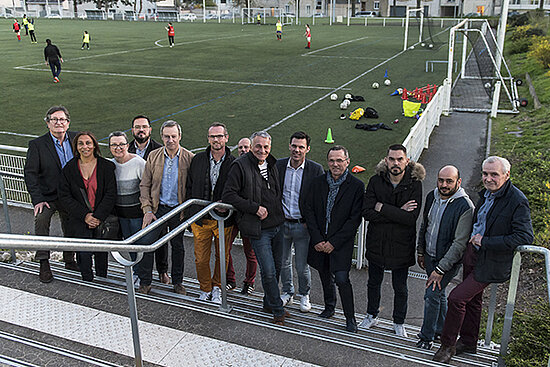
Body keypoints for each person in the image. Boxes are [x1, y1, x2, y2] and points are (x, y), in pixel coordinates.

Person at [433, 156, 534, 363]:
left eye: (494, 174)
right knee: (473, 301)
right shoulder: (487, 193)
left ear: (506, 175)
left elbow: (524, 237)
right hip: (474, 254)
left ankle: (447, 345)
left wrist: (485, 242)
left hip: (490, 261)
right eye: (485, 174)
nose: (488, 178)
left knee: (456, 298)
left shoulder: (517, 200)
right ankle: (469, 342)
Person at [360, 144, 424, 337]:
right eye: (392, 159)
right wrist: (398, 212)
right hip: (377, 242)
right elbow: (367, 212)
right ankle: (371, 315)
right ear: (386, 160)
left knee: (400, 286)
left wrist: (382, 207)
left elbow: (410, 218)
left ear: (407, 161)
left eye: (399, 159)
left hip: (401, 245)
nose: (395, 163)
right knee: (374, 282)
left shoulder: (414, 184)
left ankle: (399, 321)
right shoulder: (375, 181)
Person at [223, 131, 287, 325]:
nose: (262, 150)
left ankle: (268, 302)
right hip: (258, 228)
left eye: (266, 147)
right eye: (258, 146)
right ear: (251, 146)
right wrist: (254, 208)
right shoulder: (240, 166)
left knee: (276, 268)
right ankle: (277, 309)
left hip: (278, 225)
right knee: (267, 270)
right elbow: (229, 195)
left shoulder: (272, 163)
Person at [303, 145, 364, 332]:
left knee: (342, 278)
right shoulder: (318, 182)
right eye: (332, 160)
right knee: (324, 274)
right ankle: (329, 307)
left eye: (339, 160)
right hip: (320, 242)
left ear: (347, 161)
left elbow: (354, 219)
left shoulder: (356, 186)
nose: (335, 164)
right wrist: (318, 239)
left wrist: (333, 243)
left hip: (341, 245)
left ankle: (350, 317)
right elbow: (309, 210)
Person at [416, 165, 474, 350]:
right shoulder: (431, 196)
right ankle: (441, 330)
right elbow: (425, 225)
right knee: (439, 294)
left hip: (447, 262)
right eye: (441, 180)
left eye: (449, 181)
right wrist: (420, 250)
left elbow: (459, 243)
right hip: (430, 256)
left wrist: (440, 270)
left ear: (458, 182)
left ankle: (427, 337)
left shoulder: (465, 206)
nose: (444, 184)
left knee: (431, 295)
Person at [138, 120, 194, 295]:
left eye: (173, 136)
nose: (170, 140)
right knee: (146, 243)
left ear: (180, 136)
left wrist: (187, 212)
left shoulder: (189, 158)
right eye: (167, 136)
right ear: (161, 137)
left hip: (178, 211)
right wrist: (147, 209)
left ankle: (178, 282)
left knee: (178, 247)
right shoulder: (153, 156)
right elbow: (145, 185)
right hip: (158, 209)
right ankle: (145, 282)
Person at [24, 106, 78, 283]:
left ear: (68, 123)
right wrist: (37, 199)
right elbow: (30, 174)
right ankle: (43, 263)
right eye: (54, 119)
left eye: (62, 119)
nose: (58, 123)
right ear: (48, 124)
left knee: (72, 225)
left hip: (70, 195)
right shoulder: (37, 145)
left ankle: (69, 258)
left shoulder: (77, 139)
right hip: (48, 197)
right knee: (41, 220)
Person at [186, 123, 235, 304]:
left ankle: (217, 287)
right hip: (201, 219)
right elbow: (190, 186)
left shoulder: (234, 162)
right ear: (208, 139)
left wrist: (227, 204)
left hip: (224, 220)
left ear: (226, 138)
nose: (216, 140)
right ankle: (205, 288)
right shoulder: (198, 159)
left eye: (219, 136)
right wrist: (191, 213)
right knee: (200, 258)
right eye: (213, 136)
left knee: (222, 257)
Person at [275, 132, 324, 312]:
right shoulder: (279, 165)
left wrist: (310, 223)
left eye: (301, 147)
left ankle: (305, 294)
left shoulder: (315, 169)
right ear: (289, 146)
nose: (297, 150)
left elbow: (319, 200)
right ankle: (288, 292)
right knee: (283, 262)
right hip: (282, 224)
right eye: (294, 146)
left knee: (302, 265)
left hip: (302, 226)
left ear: (307, 149)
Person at [58, 132, 117, 281]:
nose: (85, 147)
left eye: (88, 143)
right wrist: (85, 216)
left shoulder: (107, 166)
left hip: (101, 218)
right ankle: (87, 281)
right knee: (83, 253)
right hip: (80, 219)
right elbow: (65, 196)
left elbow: (111, 194)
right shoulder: (69, 169)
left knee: (101, 252)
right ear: (76, 147)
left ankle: (102, 279)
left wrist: (97, 217)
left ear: (94, 145)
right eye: (81, 143)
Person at [128, 115, 168, 284]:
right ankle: (138, 272)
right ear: (132, 130)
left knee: (159, 239)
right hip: (132, 202)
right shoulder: (126, 148)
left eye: (144, 126)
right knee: (135, 238)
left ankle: (162, 270)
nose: (141, 130)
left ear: (150, 130)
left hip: (154, 203)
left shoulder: (159, 149)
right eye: (137, 127)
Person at [226, 137, 258, 295]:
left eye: (246, 147)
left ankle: (249, 282)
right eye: (240, 147)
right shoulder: (234, 165)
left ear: (251, 148)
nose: (243, 150)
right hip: (232, 216)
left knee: (250, 252)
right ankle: (230, 280)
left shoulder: (257, 166)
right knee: (225, 248)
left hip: (249, 217)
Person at [108, 131, 146, 241]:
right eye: (114, 145)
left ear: (127, 146)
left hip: (137, 215)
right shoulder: (110, 165)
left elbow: (148, 188)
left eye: (121, 144)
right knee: (128, 245)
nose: (118, 148)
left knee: (140, 245)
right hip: (121, 216)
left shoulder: (139, 163)